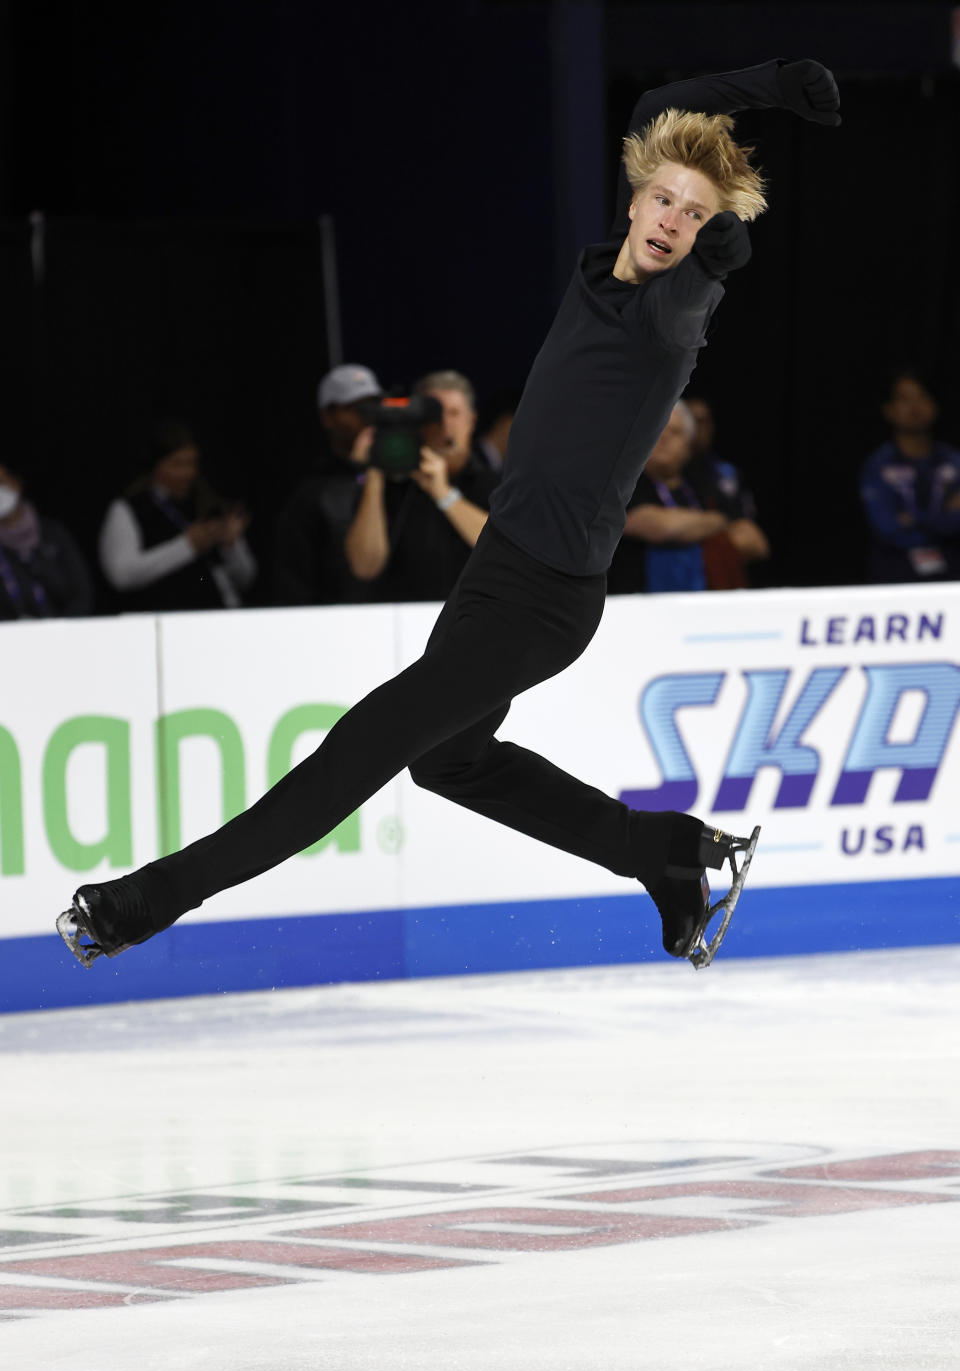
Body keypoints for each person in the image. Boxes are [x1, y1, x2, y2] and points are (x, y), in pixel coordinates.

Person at [57, 58, 840, 974]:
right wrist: (773, 85)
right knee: (450, 761)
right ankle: (659, 851)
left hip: (544, 601)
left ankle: (147, 900)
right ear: (633, 199)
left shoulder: (669, 313)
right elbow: (657, 109)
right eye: (663, 199)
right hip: (497, 571)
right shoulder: (609, 268)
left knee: (360, 752)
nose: (672, 220)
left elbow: (712, 266)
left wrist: (723, 239)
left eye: (693, 213)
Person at [343, 369, 498, 601]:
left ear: (471, 420)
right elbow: (364, 567)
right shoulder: (389, 486)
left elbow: (502, 552)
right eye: (434, 413)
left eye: (454, 413)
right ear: (417, 422)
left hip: (475, 622)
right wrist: (375, 470)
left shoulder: (495, 485)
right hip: (402, 624)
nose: (445, 424)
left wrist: (444, 494)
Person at [99, 421, 257, 611]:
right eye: (177, 464)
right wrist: (187, 545)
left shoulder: (208, 505)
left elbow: (245, 580)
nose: (187, 473)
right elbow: (121, 576)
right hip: (162, 622)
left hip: (217, 618)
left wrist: (231, 546)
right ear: (156, 465)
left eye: (191, 463)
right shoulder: (130, 509)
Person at [273, 363, 382, 606]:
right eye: (356, 408)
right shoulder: (311, 491)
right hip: (336, 622)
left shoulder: (406, 476)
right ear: (328, 417)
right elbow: (294, 579)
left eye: (374, 406)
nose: (368, 418)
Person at [608, 401, 731, 594]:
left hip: (701, 600)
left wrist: (689, 526)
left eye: (674, 432)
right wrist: (712, 523)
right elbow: (660, 527)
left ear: (689, 445)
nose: (663, 437)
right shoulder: (623, 484)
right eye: (658, 429)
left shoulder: (702, 482)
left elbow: (747, 536)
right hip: (635, 602)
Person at [859, 372, 960, 583]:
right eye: (904, 398)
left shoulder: (954, 462)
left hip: (951, 575)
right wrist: (943, 514)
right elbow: (887, 527)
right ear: (889, 409)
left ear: (935, 405)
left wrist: (912, 518)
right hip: (895, 576)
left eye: (922, 396)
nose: (914, 406)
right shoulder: (878, 466)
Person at [684, 394, 770, 587]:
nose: (700, 428)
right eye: (694, 420)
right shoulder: (667, 475)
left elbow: (753, 541)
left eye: (706, 421)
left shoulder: (726, 473)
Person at [0, 461, 93, 620]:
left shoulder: (53, 534)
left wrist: (60, 631)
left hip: (65, 633)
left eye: (1, 482)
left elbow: (82, 593)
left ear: (17, 483)